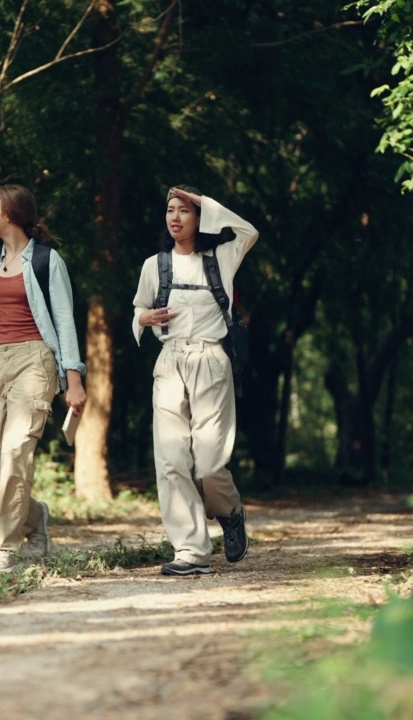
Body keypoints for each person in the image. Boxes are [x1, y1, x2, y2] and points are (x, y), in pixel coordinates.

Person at [0, 184, 87, 574]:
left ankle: (5, 548)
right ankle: (35, 517)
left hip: (35, 358)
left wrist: (74, 379)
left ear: (10, 214)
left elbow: (64, 322)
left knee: (16, 450)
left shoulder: (48, 261)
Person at [131, 186, 259, 576]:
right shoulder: (155, 265)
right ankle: (191, 550)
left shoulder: (221, 258)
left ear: (200, 219)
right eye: (170, 210)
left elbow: (248, 232)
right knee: (171, 459)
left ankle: (230, 510)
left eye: (185, 211)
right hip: (169, 362)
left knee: (208, 461)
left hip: (210, 361)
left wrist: (204, 201)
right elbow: (139, 308)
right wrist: (144, 318)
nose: (175, 217)